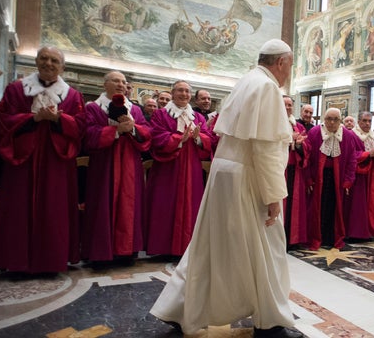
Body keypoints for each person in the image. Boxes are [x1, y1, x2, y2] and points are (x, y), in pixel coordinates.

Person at [150, 39, 303, 338]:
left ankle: (179, 309)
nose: (288, 72)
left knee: (209, 245)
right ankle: (271, 323)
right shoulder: (269, 87)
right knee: (267, 247)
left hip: (225, 174)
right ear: (282, 62)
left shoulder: (246, 80)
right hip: (249, 176)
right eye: (290, 66)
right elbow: (266, 148)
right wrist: (274, 196)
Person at [0, 46, 85, 273]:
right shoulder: (16, 89)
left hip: (56, 160)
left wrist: (58, 120)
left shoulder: (72, 96)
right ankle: (16, 261)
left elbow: (81, 126)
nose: (49, 64)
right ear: (36, 61)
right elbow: (2, 120)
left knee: (54, 208)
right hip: (24, 158)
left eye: (54, 60)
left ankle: (51, 260)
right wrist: (33, 118)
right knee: (18, 207)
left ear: (62, 67)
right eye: (44, 58)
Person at [82, 70, 152, 264]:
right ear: (104, 84)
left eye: (123, 82)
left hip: (130, 162)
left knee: (129, 205)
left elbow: (147, 132)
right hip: (104, 164)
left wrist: (134, 128)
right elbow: (88, 134)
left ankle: (126, 250)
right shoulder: (94, 108)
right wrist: (114, 130)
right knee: (102, 203)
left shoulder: (135, 110)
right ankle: (101, 253)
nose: (121, 84)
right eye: (115, 80)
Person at [145, 80, 212, 257]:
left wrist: (198, 138)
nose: (184, 94)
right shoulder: (161, 114)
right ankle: (163, 248)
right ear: (173, 93)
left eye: (187, 92)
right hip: (168, 168)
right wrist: (179, 139)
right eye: (180, 91)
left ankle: (187, 247)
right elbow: (157, 137)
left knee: (192, 205)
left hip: (192, 168)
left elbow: (208, 138)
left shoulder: (197, 118)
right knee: (164, 204)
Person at [305, 108, 357, 250]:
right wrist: (308, 178)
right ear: (324, 119)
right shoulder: (315, 132)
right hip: (318, 178)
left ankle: (331, 237)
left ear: (340, 121)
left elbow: (352, 159)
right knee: (318, 207)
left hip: (337, 178)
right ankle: (316, 236)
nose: (332, 122)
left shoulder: (347, 135)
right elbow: (307, 157)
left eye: (335, 119)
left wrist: (348, 180)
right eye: (329, 119)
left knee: (335, 207)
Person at [345, 111, 374, 240]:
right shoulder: (351, 135)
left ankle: (369, 230)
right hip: (358, 176)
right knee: (358, 204)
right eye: (365, 121)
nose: (367, 124)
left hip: (372, 175)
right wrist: (368, 154)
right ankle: (356, 232)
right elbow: (350, 155)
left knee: (372, 204)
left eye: (369, 121)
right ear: (359, 121)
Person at [283, 95, 310, 247]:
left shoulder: (298, 127)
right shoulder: (273, 123)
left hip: (295, 170)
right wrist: (288, 139)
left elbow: (307, 148)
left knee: (294, 205)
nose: (287, 108)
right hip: (279, 169)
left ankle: (292, 238)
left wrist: (299, 145)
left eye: (290, 105)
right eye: (285, 105)